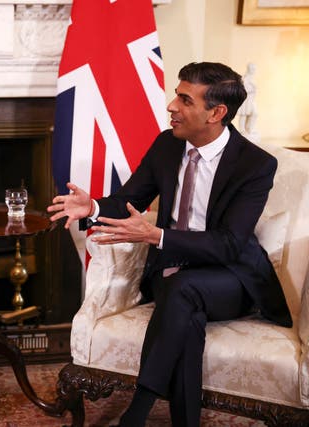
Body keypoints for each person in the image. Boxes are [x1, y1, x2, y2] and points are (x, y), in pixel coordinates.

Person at [47, 62, 291, 427]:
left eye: (184, 99)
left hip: (231, 279)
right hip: (172, 274)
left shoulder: (255, 165)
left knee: (183, 290)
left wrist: (156, 236)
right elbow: (130, 199)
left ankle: (138, 411)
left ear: (216, 113)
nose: (171, 107)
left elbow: (228, 245)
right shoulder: (167, 145)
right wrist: (94, 206)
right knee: (185, 311)